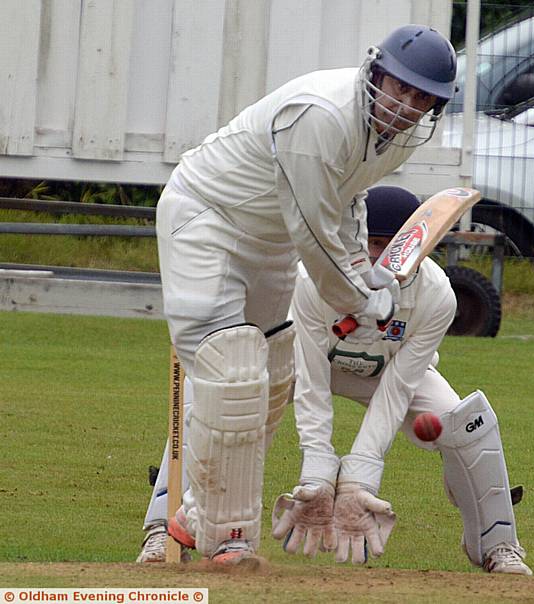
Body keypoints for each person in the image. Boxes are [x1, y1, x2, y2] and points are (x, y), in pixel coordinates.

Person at [148, 24, 458, 567]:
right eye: (399, 88)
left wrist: (363, 265)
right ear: (376, 75)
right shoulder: (321, 116)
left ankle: (205, 520)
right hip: (206, 218)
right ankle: (213, 528)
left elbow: (348, 200)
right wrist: (362, 299)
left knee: (268, 374)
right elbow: (313, 234)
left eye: (421, 99)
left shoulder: (395, 136)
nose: (405, 105)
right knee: (229, 373)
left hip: (268, 238)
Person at [270, 185, 533, 575]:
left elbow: (396, 390)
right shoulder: (313, 279)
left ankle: (498, 544)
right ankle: (176, 524)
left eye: (388, 244)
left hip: (389, 375)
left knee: (466, 422)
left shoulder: (437, 295)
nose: (377, 255)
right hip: (312, 364)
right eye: (369, 242)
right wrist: (319, 472)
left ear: (415, 245)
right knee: (233, 391)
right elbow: (311, 378)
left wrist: (359, 478)